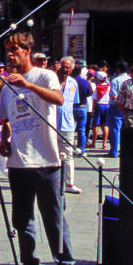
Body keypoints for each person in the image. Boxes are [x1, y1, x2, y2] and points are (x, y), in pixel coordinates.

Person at [0, 32, 80, 265]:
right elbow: (6, 118)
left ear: (27, 51)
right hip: (18, 162)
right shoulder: (7, 86)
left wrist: (28, 85)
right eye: (7, 50)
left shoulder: (45, 76)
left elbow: (58, 99)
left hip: (47, 159)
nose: (10, 54)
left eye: (14, 49)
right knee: (22, 219)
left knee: (54, 216)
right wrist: (5, 138)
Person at [56, 56, 81, 194]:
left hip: (68, 124)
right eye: (63, 67)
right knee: (52, 154)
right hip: (52, 123)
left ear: (71, 69)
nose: (65, 70)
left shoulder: (73, 83)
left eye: (68, 67)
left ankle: (69, 183)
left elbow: (75, 104)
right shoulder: (53, 80)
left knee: (68, 155)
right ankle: (53, 182)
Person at [107, 62, 130, 157]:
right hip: (128, 107)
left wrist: (120, 101)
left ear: (118, 70)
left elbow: (113, 96)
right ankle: (126, 151)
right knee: (128, 130)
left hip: (116, 107)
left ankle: (114, 152)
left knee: (115, 130)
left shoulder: (115, 81)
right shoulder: (131, 80)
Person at [89, 71, 110, 149]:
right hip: (107, 105)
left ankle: (93, 143)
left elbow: (94, 99)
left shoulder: (98, 88)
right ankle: (104, 144)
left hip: (99, 105)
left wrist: (92, 109)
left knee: (95, 124)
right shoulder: (109, 87)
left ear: (98, 79)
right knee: (105, 125)